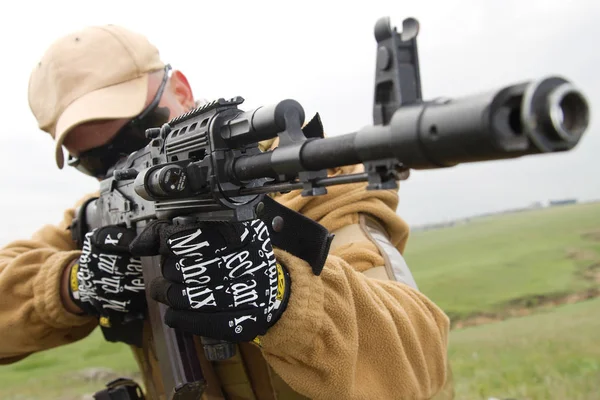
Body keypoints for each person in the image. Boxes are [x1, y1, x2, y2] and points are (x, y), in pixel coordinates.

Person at [0, 24, 454, 399]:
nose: (126, 165)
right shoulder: (98, 218)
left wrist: (282, 297)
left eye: (139, 135)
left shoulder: (306, 185)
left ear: (180, 90)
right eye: (97, 161)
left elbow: (420, 360)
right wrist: (72, 284)